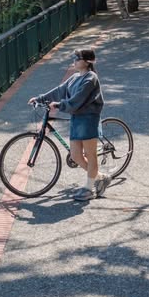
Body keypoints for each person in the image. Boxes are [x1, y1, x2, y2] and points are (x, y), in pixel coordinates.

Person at [28, 48, 110, 200]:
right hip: (76, 118)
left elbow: (77, 100)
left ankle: (89, 189)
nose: (74, 60)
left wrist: (59, 105)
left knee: (90, 155)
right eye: (74, 58)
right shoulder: (74, 77)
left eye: (78, 58)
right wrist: (40, 99)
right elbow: (59, 90)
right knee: (75, 155)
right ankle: (101, 177)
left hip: (88, 118)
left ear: (87, 62)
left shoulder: (90, 79)